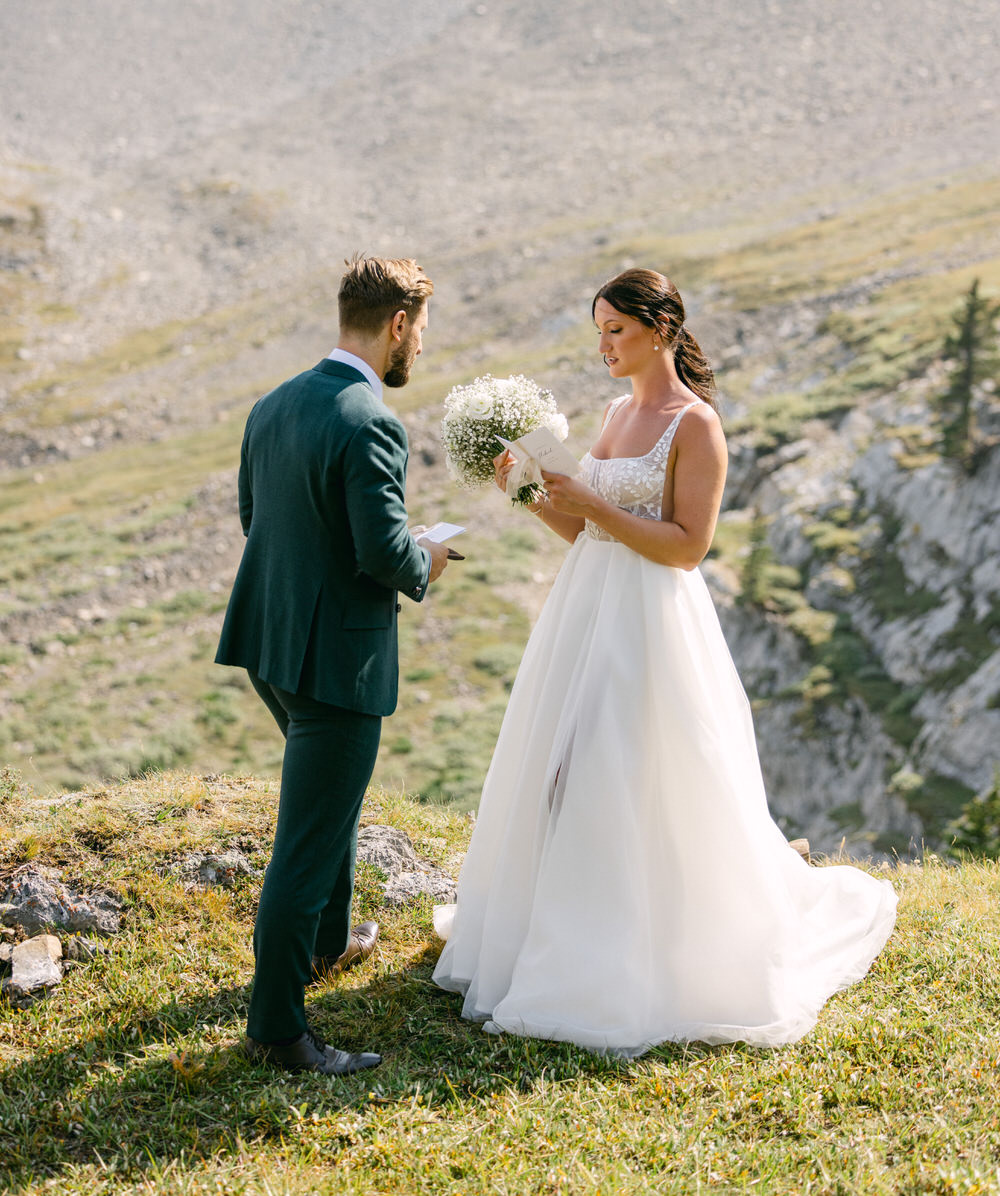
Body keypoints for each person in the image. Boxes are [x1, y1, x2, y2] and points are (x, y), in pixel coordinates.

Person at [433, 268, 896, 1055]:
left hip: (652, 620)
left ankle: (656, 944)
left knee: (637, 771)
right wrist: (533, 495)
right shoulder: (616, 412)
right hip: (587, 610)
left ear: (662, 330)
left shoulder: (696, 426)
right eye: (599, 333)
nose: (605, 346)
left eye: (615, 330)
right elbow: (589, 533)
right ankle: (564, 923)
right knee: (567, 769)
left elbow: (688, 548)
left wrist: (592, 503)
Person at [216, 255, 453, 1075]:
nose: (419, 347)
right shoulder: (371, 421)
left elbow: (258, 517)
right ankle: (279, 1031)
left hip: (269, 648)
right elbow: (384, 553)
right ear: (396, 325)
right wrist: (429, 560)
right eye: (419, 332)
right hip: (335, 668)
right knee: (307, 841)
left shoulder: (274, 403)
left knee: (330, 804)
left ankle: (328, 943)